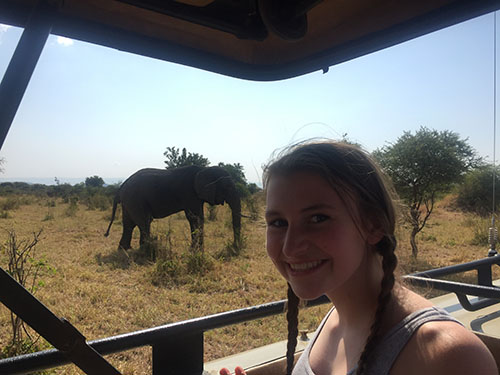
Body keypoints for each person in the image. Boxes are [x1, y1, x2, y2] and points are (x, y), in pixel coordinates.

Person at [220, 140, 498, 375]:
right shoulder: (335, 318)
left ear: (374, 224)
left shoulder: (447, 356)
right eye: (278, 223)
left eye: (318, 218)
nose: (290, 248)